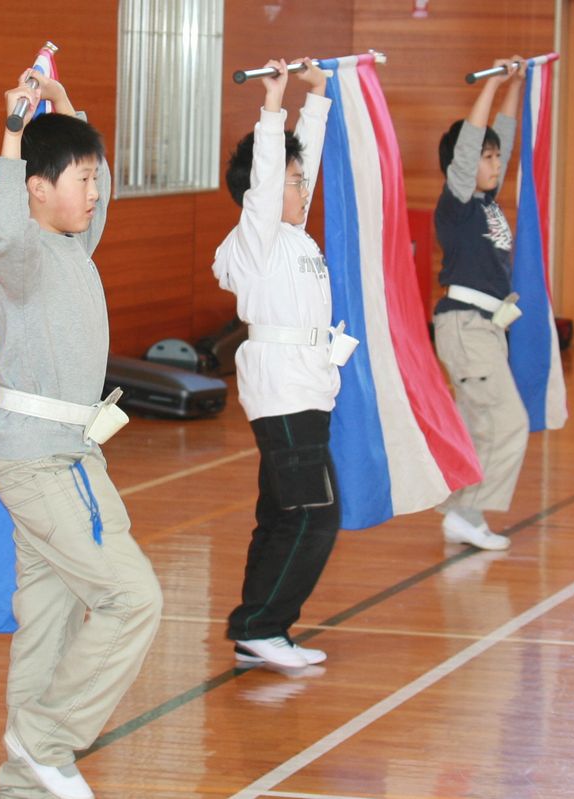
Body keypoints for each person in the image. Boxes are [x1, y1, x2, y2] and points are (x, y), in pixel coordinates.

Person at [0, 69, 163, 799]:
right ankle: (45, 740)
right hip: (39, 465)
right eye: (81, 179)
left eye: (94, 179)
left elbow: (96, 193)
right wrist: (15, 132)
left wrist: (67, 112)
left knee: (49, 621)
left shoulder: (75, 248)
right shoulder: (21, 260)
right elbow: (1, 225)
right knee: (135, 598)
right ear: (36, 187)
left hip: (70, 459)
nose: (95, 192)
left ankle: (24, 781)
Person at [214, 58, 343, 670]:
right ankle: (265, 626)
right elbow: (271, 181)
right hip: (284, 392)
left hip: (307, 387)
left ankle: (255, 627)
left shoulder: (294, 235)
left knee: (281, 512)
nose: (302, 187)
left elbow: (298, 170)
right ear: (260, 194)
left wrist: (315, 101)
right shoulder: (256, 236)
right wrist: (273, 105)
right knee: (314, 516)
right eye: (293, 182)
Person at [432, 56, 530, 552]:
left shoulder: (488, 203)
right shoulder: (459, 204)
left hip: (485, 327)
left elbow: (503, 136)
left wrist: (516, 82)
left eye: (496, 159)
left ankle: (460, 512)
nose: (494, 164)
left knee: (480, 425)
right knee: (509, 423)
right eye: (485, 159)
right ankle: (468, 513)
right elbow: (473, 144)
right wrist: (490, 83)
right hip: (466, 327)